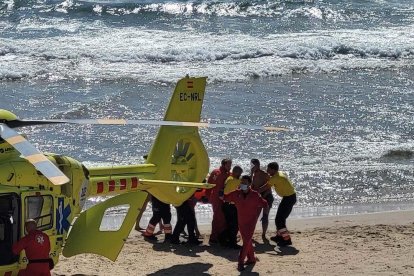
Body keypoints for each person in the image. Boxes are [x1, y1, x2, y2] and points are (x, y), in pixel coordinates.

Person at [225, 175, 268, 271]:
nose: (242, 184)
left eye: (245, 183)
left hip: (251, 222)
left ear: (249, 184)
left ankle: (240, 262)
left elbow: (265, 204)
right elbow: (225, 197)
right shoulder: (236, 193)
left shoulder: (255, 195)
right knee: (247, 241)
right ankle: (251, 259)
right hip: (241, 222)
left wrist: (265, 215)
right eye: (241, 182)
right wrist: (216, 195)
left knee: (247, 240)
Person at [267, 162, 297, 246]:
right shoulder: (280, 173)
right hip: (289, 197)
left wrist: (254, 191)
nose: (267, 171)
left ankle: (287, 240)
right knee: (280, 219)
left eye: (268, 169)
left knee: (279, 220)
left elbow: (265, 187)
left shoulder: (275, 178)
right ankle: (279, 236)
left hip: (289, 198)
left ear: (273, 170)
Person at [206, 158, 232, 244]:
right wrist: (207, 196)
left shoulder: (229, 174)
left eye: (231, 164)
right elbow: (209, 184)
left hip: (224, 199)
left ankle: (219, 236)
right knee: (218, 217)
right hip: (216, 199)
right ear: (224, 165)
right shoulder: (217, 173)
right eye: (229, 164)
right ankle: (215, 237)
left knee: (223, 217)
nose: (230, 166)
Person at [219, 165, 243, 248]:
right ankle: (231, 242)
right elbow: (225, 193)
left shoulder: (233, 179)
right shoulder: (231, 180)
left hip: (230, 205)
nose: (240, 174)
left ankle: (225, 239)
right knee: (234, 225)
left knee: (231, 225)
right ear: (235, 172)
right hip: (230, 206)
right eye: (239, 173)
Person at [250, 159, 273, 239]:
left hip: (266, 196)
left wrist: (263, 197)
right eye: (252, 165)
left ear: (258, 165)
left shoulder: (264, 174)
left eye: (254, 165)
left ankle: (264, 233)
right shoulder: (253, 175)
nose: (253, 167)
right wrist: (251, 172)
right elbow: (249, 185)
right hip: (258, 196)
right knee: (255, 215)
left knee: (265, 216)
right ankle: (251, 232)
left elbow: (269, 188)